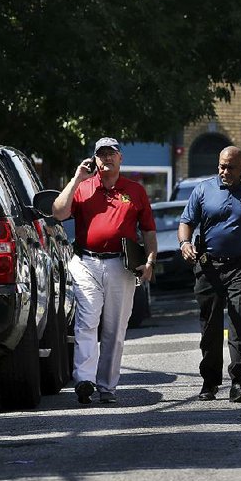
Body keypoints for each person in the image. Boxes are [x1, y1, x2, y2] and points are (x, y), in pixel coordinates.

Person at [52, 137, 157, 404]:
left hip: (121, 265)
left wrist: (150, 261)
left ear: (121, 158)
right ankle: (84, 380)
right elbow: (59, 213)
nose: (106, 159)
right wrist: (76, 178)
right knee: (87, 321)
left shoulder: (135, 190)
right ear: (94, 159)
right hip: (86, 262)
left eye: (111, 154)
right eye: (101, 155)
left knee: (114, 329)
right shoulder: (83, 187)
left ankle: (107, 387)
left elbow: (148, 230)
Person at [178, 146, 241, 402]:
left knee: (239, 321)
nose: (224, 171)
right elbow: (186, 222)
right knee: (210, 327)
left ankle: (237, 382)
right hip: (209, 266)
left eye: (230, 167)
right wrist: (185, 243)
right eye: (221, 166)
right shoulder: (203, 190)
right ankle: (210, 382)